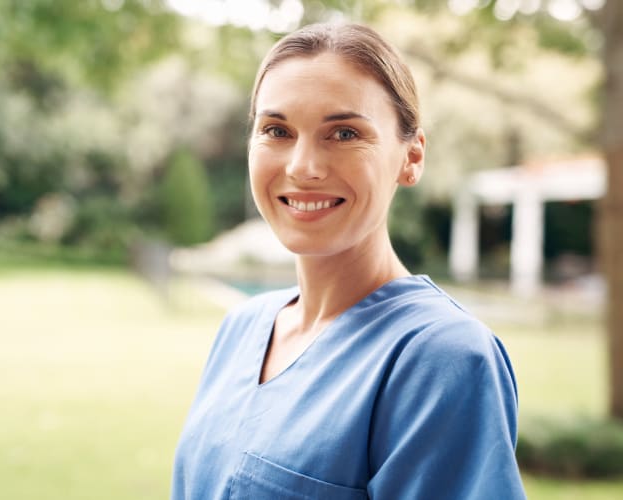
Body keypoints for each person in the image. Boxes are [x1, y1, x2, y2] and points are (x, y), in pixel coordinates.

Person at [171, 22, 525, 500]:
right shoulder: (242, 327)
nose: (302, 166)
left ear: (412, 156)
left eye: (343, 133)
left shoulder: (441, 358)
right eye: (277, 130)